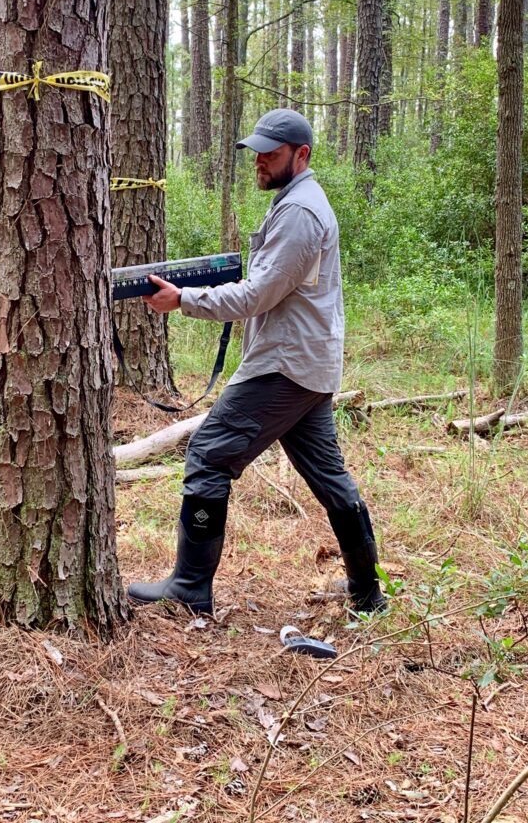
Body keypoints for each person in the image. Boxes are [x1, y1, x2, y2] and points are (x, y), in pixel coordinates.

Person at [127, 108, 386, 616]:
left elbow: (258, 294)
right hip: (306, 366)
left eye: (271, 153)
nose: (260, 161)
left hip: (285, 367)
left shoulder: (300, 213)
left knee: (207, 454)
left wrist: (185, 299)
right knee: (331, 478)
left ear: (301, 155)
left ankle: (189, 585)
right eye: (257, 152)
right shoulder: (295, 203)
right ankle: (366, 593)